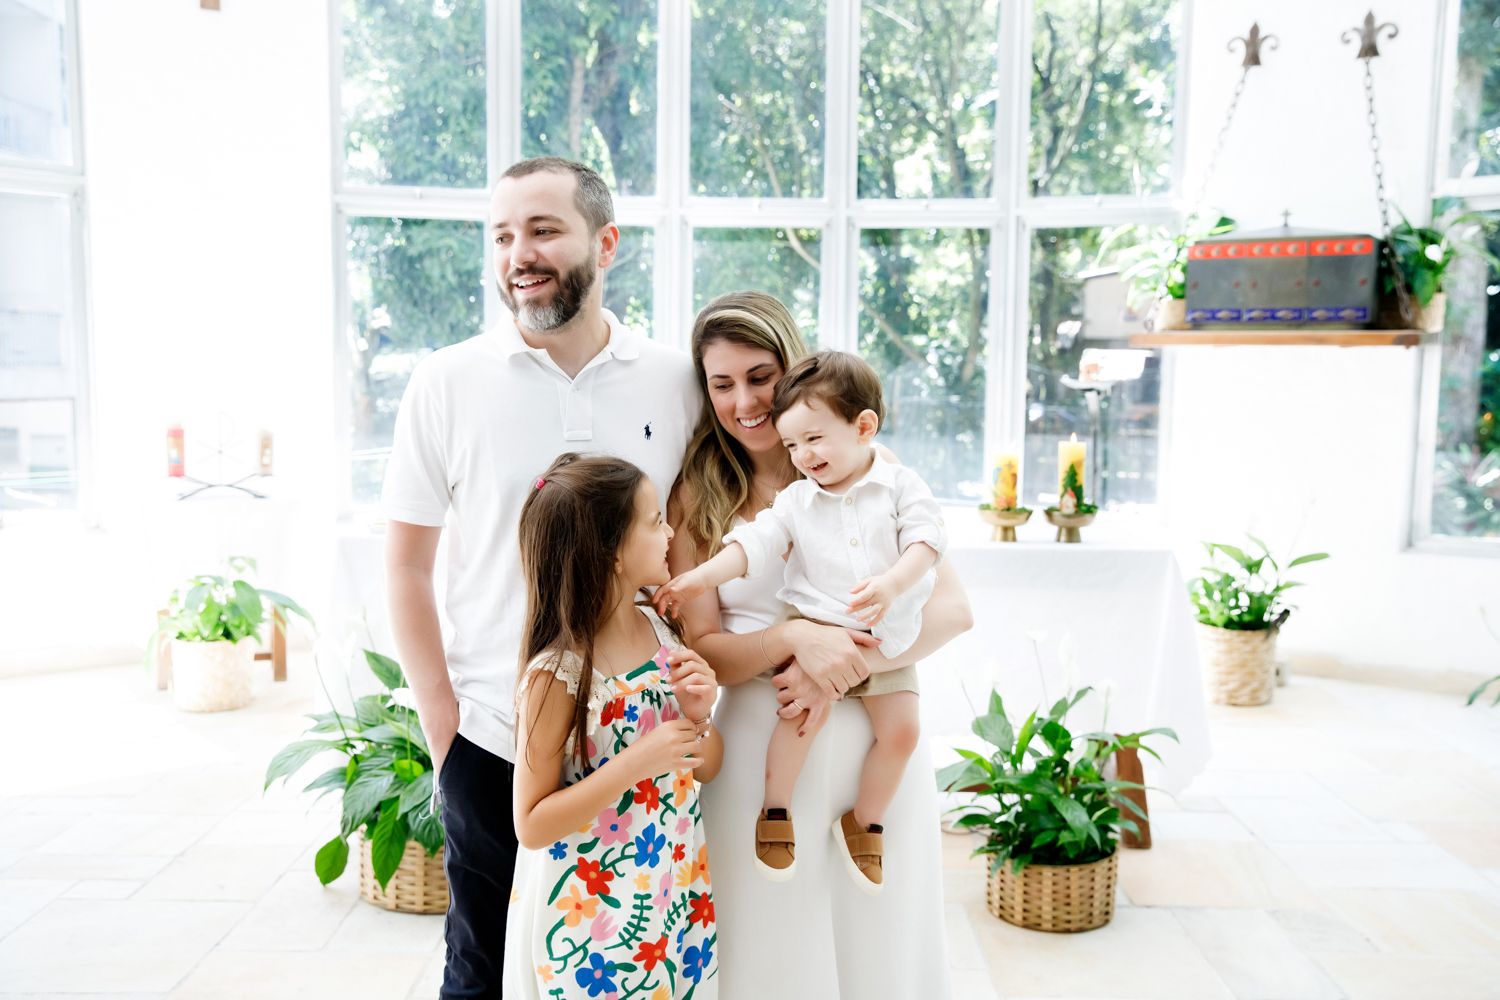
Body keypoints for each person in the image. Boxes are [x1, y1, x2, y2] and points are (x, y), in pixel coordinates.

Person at [382, 156, 698, 999]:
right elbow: (407, 567)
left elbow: (691, 547)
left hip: (640, 735)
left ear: (607, 242)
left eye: (544, 230)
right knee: (483, 967)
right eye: (503, 235)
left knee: (636, 960)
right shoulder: (445, 381)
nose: (519, 253)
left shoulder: (672, 380)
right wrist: (443, 727)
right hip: (493, 734)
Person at [665, 291, 972, 998]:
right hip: (760, 745)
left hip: (874, 739)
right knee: (770, 940)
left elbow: (952, 611)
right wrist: (796, 638)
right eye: (722, 383)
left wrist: (840, 669)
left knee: (878, 940)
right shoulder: (698, 496)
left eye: (760, 376)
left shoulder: (875, 469)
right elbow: (705, 649)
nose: (745, 402)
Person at [655, 350, 945, 892]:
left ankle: (865, 821)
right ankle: (776, 810)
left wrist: (892, 586)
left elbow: (929, 543)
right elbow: (751, 546)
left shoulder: (899, 482)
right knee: (799, 719)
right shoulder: (796, 500)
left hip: (887, 639)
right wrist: (697, 578)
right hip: (808, 630)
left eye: (812, 440)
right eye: (793, 444)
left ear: (863, 428)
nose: (802, 454)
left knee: (903, 731)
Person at [504, 453, 722, 999]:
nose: (670, 531)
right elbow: (530, 825)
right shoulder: (558, 675)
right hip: (592, 918)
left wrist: (700, 717)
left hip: (671, 898)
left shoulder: (663, 629)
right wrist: (637, 763)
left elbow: (707, 766)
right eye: (654, 521)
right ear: (612, 552)